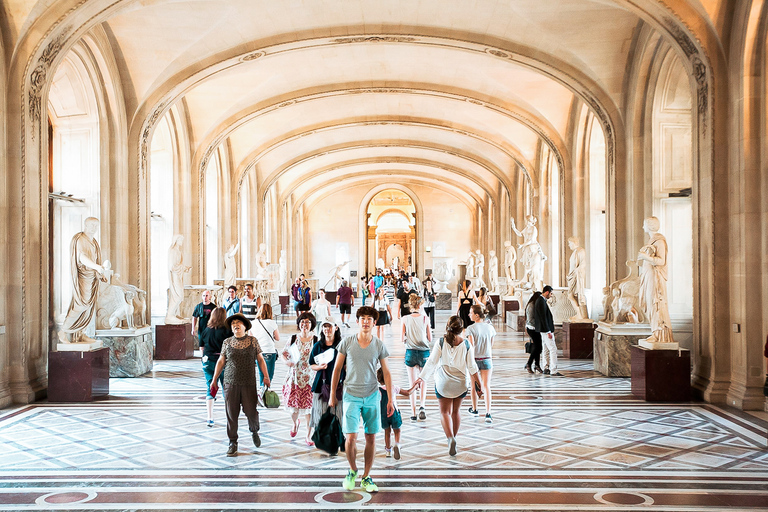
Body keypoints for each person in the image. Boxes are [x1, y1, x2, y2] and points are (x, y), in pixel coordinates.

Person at [329, 306, 394, 493]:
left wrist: (390, 399)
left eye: (369, 319)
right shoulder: (347, 343)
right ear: (357, 321)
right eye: (362, 318)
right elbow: (337, 369)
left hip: (372, 395)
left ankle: (366, 476)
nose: (366, 322)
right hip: (351, 395)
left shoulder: (379, 345)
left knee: (371, 437)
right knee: (350, 438)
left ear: (374, 323)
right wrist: (333, 394)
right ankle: (352, 470)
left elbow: (387, 373)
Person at [410, 316, 482, 456]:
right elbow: (472, 368)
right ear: (462, 330)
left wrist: (421, 378)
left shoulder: (441, 342)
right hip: (461, 383)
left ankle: (450, 439)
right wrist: (479, 386)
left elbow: (431, 362)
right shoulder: (467, 344)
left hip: (443, 382)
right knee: (456, 411)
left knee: (444, 412)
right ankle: (454, 437)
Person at [209, 313, 271, 456]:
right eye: (233, 324)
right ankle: (233, 442)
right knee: (231, 413)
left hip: (249, 382)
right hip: (230, 383)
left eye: (238, 323)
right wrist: (214, 379)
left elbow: (260, 360)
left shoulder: (253, 341)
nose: (235, 325)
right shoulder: (227, 342)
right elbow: (221, 361)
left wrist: (266, 376)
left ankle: (254, 430)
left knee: (251, 411)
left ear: (244, 326)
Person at [59, 217, 110, 343]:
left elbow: (94, 260)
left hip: (92, 277)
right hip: (83, 277)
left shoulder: (93, 241)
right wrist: (97, 267)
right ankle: (63, 331)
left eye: (96, 225)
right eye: (91, 225)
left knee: (89, 307)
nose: (94, 228)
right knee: (81, 304)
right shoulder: (80, 239)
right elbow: (82, 258)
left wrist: (98, 273)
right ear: (85, 225)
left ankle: (80, 333)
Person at [281, 312, 317, 445]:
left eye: (307, 322)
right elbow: (284, 354)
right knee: (293, 408)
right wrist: (287, 362)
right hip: (294, 377)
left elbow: (321, 356)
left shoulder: (316, 339)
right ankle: (295, 423)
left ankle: (309, 435)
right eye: (302, 322)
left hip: (310, 378)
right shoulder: (293, 338)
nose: (304, 324)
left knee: (309, 409)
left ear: (312, 324)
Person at [308, 317, 345, 440]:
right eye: (324, 326)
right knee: (320, 413)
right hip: (321, 383)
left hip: (339, 384)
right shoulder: (318, 345)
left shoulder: (341, 345)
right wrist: (319, 367)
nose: (327, 329)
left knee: (337, 413)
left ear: (336, 328)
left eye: (329, 326)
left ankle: (335, 439)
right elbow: (311, 364)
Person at [199, 307, 232, 427]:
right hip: (223, 361)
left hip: (208, 361)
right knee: (226, 388)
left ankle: (210, 418)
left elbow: (201, 347)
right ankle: (229, 416)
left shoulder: (206, 330)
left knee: (210, 387)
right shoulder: (228, 330)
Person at [401, 294, 432, 421]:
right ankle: (422, 406)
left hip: (410, 352)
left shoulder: (404, 318)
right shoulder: (425, 318)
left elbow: (402, 338)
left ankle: (413, 413)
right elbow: (429, 338)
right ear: (420, 305)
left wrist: (409, 338)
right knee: (423, 380)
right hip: (424, 352)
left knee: (412, 382)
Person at [465, 305, 496, 423]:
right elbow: (491, 344)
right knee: (487, 386)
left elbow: (471, 346)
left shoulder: (470, 328)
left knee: (474, 386)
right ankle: (488, 413)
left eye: (471, 312)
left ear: (477, 315)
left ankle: (475, 409)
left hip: (475, 360)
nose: (469, 314)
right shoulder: (490, 328)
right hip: (487, 358)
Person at [376, 367, 411, 459]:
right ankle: (397, 444)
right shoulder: (394, 387)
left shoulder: (378, 390)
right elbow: (407, 392)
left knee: (387, 432)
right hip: (394, 413)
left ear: (378, 379)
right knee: (397, 430)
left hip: (383, 414)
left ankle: (388, 450)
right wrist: (415, 385)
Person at [536, 285, 562, 376]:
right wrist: (548, 331)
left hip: (543, 330)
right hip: (545, 330)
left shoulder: (541, 301)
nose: (551, 295)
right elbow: (543, 318)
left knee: (546, 349)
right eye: (550, 293)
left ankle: (546, 368)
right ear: (547, 292)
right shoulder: (541, 301)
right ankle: (553, 370)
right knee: (553, 349)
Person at [253, 303, 280, 388]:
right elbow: (277, 338)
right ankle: (263, 396)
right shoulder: (272, 323)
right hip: (269, 351)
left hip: (258, 352)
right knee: (268, 377)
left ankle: (261, 396)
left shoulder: (253, 323)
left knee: (261, 375)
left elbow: (251, 338)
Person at [524, 291, 544, 374]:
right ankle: (530, 364)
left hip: (536, 328)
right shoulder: (531, 305)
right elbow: (531, 320)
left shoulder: (535, 304)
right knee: (537, 347)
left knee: (538, 347)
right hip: (532, 328)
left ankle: (536, 365)